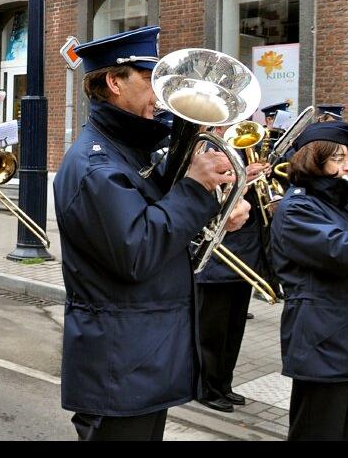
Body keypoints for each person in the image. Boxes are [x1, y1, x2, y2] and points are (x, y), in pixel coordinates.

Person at [53, 26, 252, 441]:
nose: (160, 96)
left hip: (142, 358)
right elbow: (138, 250)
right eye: (148, 80)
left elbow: (162, 219)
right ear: (114, 82)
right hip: (119, 365)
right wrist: (196, 190)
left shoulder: (130, 151)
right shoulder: (95, 166)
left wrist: (216, 209)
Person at [268, 121, 348, 441]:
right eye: (338, 158)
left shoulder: (336, 205)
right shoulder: (298, 208)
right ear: (313, 159)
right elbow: (345, 253)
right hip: (323, 343)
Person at [194, 126, 270, 413]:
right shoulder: (204, 149)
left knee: (233, 329)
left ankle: (224, 383)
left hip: (243, 252)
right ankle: (206, 387)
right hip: (218, 255)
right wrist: (242, 178)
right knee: (211, 331)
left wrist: (255, 177)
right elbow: (208, 196)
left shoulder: (236, 146)